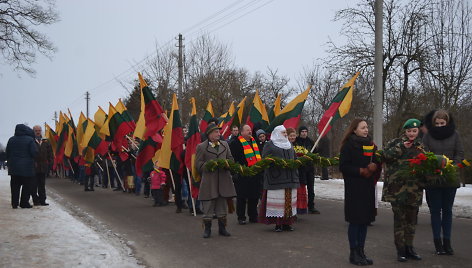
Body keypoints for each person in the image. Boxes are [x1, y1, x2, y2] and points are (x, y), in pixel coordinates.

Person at [382, 119, 424, 262]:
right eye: (409, 131)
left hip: (414, 190)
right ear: (404, 131)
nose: (411, 133)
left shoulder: (421, 146)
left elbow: (427, 164)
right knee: (400, 220)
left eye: (414, 131)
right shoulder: (395, 143)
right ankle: (400, 250)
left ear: (418, 131)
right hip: (397, 190)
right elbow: (386, 156)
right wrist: (401, 147)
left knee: (412, 220)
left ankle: (409, 247)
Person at [423, 110, 463, 255]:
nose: (439, 126)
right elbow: (425, 153)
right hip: (433, 179)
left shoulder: (455, 134)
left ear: (447, 122)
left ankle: (447, 242)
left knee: (447, 211)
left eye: (442, 123)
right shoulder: (427, 136)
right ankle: (437, 243)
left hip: (449, 178)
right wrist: (433, 166)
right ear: (433, 123)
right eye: (437, 123)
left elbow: (460, 153)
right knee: (435, 212)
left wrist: (452, 166)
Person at [339, 119, 379, 266]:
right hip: (354, 188)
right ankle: (353, 253)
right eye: (363, 128)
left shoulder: (371, 145)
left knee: (364, 221)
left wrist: (374, 165)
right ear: (354, 130)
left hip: (367, 187)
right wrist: (360, 171)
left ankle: (361, 251)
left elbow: (376, 161)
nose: (366, 130)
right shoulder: (348, 145)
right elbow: (343, 167)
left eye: (367, 127)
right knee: (355, 221)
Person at [196, 123, 237, 238]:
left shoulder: (225, 145)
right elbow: (198, 165)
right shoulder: (201, 147)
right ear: (209, 134)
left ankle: (222, 228)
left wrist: (228, 164)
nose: (219, 134)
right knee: (208, 205)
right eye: (216, 132)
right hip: (209, 181)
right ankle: (207, 229)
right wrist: (209, 165)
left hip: (223, 180)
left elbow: (230, 159)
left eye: (219, 132)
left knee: (222, 206)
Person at [259, 125, 299, 232]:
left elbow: (294, 158)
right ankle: (278, 224)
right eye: (283, 133)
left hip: (290, 178)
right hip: (276, 179)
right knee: (279, 203)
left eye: (286, 132)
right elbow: (265, 160)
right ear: (277, 133)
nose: (285, 134)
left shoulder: (289, 144)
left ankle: (287, 223)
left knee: (288, 202)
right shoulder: (270, 145)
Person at [229, 124, 263, 225]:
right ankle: (241, 217)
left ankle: (253, 216)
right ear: (242, 132)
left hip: (255, 173)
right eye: (247, 130)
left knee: (254, 196)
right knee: (242, 197)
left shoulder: (255, 141)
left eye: (250, 130)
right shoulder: (236, 143)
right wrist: (236, 171)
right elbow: (233, 159)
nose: (249, 132)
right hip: (242, 174)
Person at [6, 124, 38, 209]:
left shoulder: (11, 140)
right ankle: (24, 203)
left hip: (14, 168)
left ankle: (14, 203)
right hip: (27, 168)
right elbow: (34, 153)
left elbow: (7, 152)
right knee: (27, 186)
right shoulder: (30, 140)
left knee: (15, 186)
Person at [294, 126, 321, 214]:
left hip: (309, 167)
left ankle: (311, 206)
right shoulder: (296, 141)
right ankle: (298, 205)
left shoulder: (310, 141)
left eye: (306, 131)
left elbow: (316, 153)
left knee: (311, 187)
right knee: (300, 187)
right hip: (300, 168)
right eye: (302, 131)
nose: (304, 133)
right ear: (299, 132)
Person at [32, 125, 54, 206]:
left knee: (42, 184)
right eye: (36, 130)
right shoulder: (31, 141)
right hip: (34, 167)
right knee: (34, 185)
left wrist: (50, 162)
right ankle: (35, 200)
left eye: (39, 130)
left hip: (43, 166)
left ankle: (42, 200)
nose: (38, 132)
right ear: (33, 131)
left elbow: (50, 153)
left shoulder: (46, 141)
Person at [288, 128, 308, 215]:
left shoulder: (298, 144)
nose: (293, 137)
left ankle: (297, 209)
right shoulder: (286, 145)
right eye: (291, 135)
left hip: (299, 171)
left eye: (294, 135)